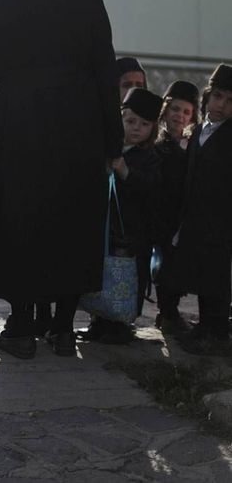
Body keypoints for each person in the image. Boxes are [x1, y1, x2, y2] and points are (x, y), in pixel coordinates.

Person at [0, 0, 124, 359]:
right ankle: (63, 326)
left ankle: (19, 323)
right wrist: (114, 144)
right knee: (71, 219)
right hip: (78, 124)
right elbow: (105, 77)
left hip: (13, 123)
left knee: (17, 220)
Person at [78, 88, 162, 345]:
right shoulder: (109, 149)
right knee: (103, 274)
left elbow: (151, 188)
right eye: (131, 121)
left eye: (144, 124)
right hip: (105, 228)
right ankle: (98, 320)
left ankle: (121, 324)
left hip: (133, 233)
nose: (137, 128)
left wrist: (126, 172)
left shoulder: (149, 157)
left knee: (127, 277)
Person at [172, 64, 232, 356]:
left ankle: (217, 330)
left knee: (217, 277)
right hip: (196, 216)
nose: (222, 105)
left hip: (221, 219)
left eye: (231, 101)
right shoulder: (197, 131)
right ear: (208, 96)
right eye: (218, 96)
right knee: (200, 272)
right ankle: (205, 326)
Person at [151, 80, 200, 332]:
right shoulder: (158, 146)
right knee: (165, 267)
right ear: (166, 111)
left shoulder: (193, 147)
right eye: (175, 109)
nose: (179, 116)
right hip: (164, 216)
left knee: (178, 266)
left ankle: (170, 313)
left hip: (183, 216)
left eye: (186, 112)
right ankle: (167, 313)